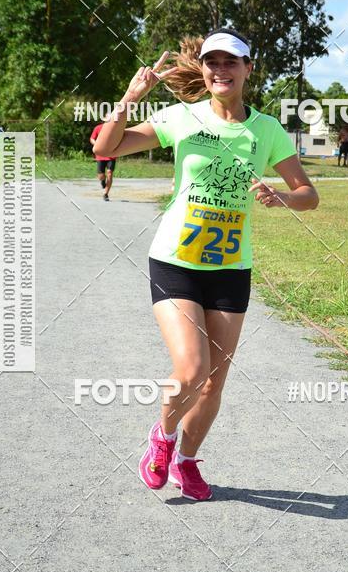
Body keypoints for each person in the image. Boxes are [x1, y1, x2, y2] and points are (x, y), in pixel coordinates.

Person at [94, 28, 319, 501]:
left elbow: (308, 194)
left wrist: (282, 197)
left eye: (231, 62)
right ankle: (162, 438)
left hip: (231, 269)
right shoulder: (181, 117)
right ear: (202, 68)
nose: (221, 70)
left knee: (214, 382)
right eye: (212, 61)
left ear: (248, 69)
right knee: (192, 368)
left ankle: (186, 460)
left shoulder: (267, 130)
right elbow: (106, 148)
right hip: (176, 261)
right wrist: (130, 99)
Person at [90, 122, 117, 200]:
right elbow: (92, 139)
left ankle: (106, 194)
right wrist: (97, 144)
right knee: (101, 176)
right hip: (100, 155)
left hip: (111, 155)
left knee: (109, 173)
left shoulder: (115, 128)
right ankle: (102, 181)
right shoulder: (98, 128)